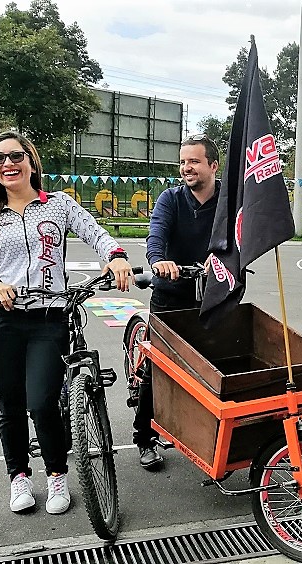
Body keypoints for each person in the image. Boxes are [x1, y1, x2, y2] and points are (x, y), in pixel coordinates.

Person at [0, 131, 134, 514]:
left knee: (42, 402)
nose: (7, 164)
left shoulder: (59, 205)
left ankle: (56, 474)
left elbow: (96, 233)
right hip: (2, 322)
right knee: (10, 404)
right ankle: (18, 476)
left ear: (31, 161)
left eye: (15, 156)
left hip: (49, 318)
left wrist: (116, 255)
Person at [134, 135, 222, 470]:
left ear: (213, 165)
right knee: (161, 368)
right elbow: (156, 234)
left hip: (212, 294)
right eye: (183, 161)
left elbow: (238, 236)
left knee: (214, 367)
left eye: (194, 161)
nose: (186, 168)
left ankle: (203, 436)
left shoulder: (226, 202)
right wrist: (159, 260)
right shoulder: (171, 199)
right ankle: (144, 437)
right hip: (171, 293)